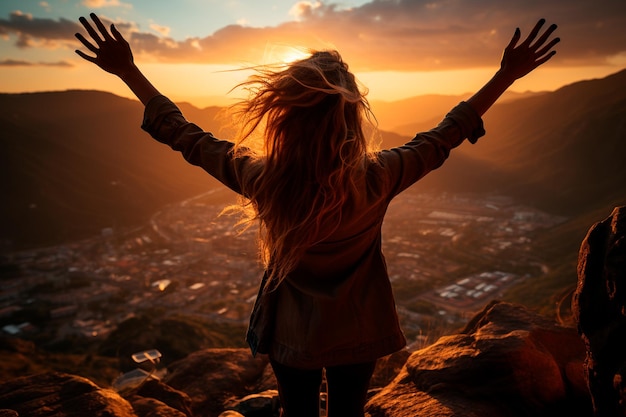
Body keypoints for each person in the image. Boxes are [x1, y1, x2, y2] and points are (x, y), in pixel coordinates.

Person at [75, 14, 559, 417]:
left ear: (284, 118)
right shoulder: (379, 177)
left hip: (291, 331)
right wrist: (505, 76)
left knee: (298, 413)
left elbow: (185, 135)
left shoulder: (263, 178)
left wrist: (128, 72)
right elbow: (445, 134)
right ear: (350, 118)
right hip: (361, 327)